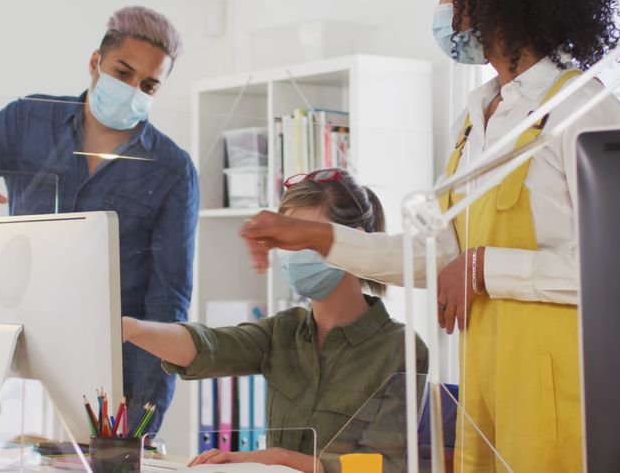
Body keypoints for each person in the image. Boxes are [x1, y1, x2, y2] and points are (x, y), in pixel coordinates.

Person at [239, 0, 620, 471]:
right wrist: (315, 236)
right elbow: (436, 256)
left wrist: (483, 268)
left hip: (565, 399)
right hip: (486, 388)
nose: (443, 10)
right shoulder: (475, 120)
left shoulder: (582, 112)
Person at [0, 6, 198, 436]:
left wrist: (140, 427)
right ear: (95, 63)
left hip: (109, 382)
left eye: (149, 84)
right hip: (19, 361)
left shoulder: (172, 170)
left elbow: (167, 306)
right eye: (123, 72)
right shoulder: (29, 121)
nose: (134, 90)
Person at [123, 169, 429, 473]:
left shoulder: (401, 349)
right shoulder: (284, 329)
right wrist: (131, 329)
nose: (292, 254)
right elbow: (210, 346)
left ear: (353, 244)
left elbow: (384, 466)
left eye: (305, 239)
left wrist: (277, 459)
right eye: (286, 242)